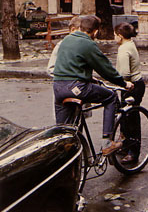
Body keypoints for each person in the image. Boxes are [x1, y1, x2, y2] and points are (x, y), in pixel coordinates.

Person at [53, 15, 133, 156]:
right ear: (95, 31)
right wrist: (123, 83)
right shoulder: (88, 44)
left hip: (58, 87)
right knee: (111, 97)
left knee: (63, 131)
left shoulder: (66, 40)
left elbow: (72, 66)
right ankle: (107, 142)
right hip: (76, 87)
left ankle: (63, 156)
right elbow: (105, 69)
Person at [114, 22, 145, 164]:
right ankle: (127, 146)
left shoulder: (123, 49)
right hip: (138, 84)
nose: (114, 38)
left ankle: (133, 151)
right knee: (127, 118)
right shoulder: (130, 44)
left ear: (120, 36)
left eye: (115, 35)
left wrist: (118, 80)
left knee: (131, 119)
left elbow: (125, 72)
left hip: (131, 86)